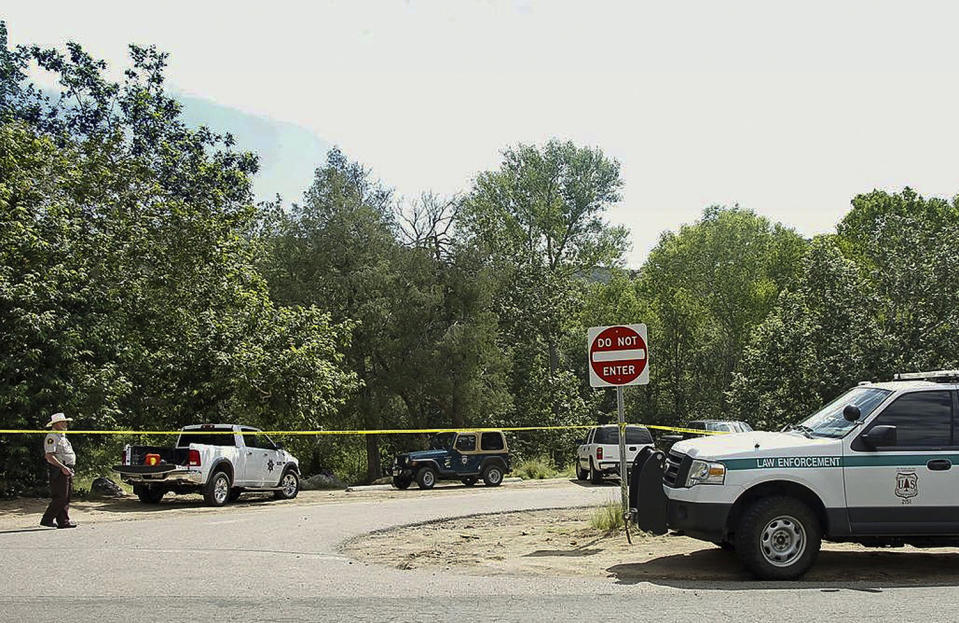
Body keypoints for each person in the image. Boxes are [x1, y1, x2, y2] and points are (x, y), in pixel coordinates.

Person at [40, 412, 78, 529]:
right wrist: (63, 467)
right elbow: (49, 456)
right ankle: (47, 519)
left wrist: (69, 467)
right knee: (60, 497)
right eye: (63, 422)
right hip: (59, 469)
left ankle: (63, 521)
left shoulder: (62, 436)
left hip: (66, 468)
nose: (66, 423)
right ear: (56, 423)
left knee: (66, 497)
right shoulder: (52, 437)